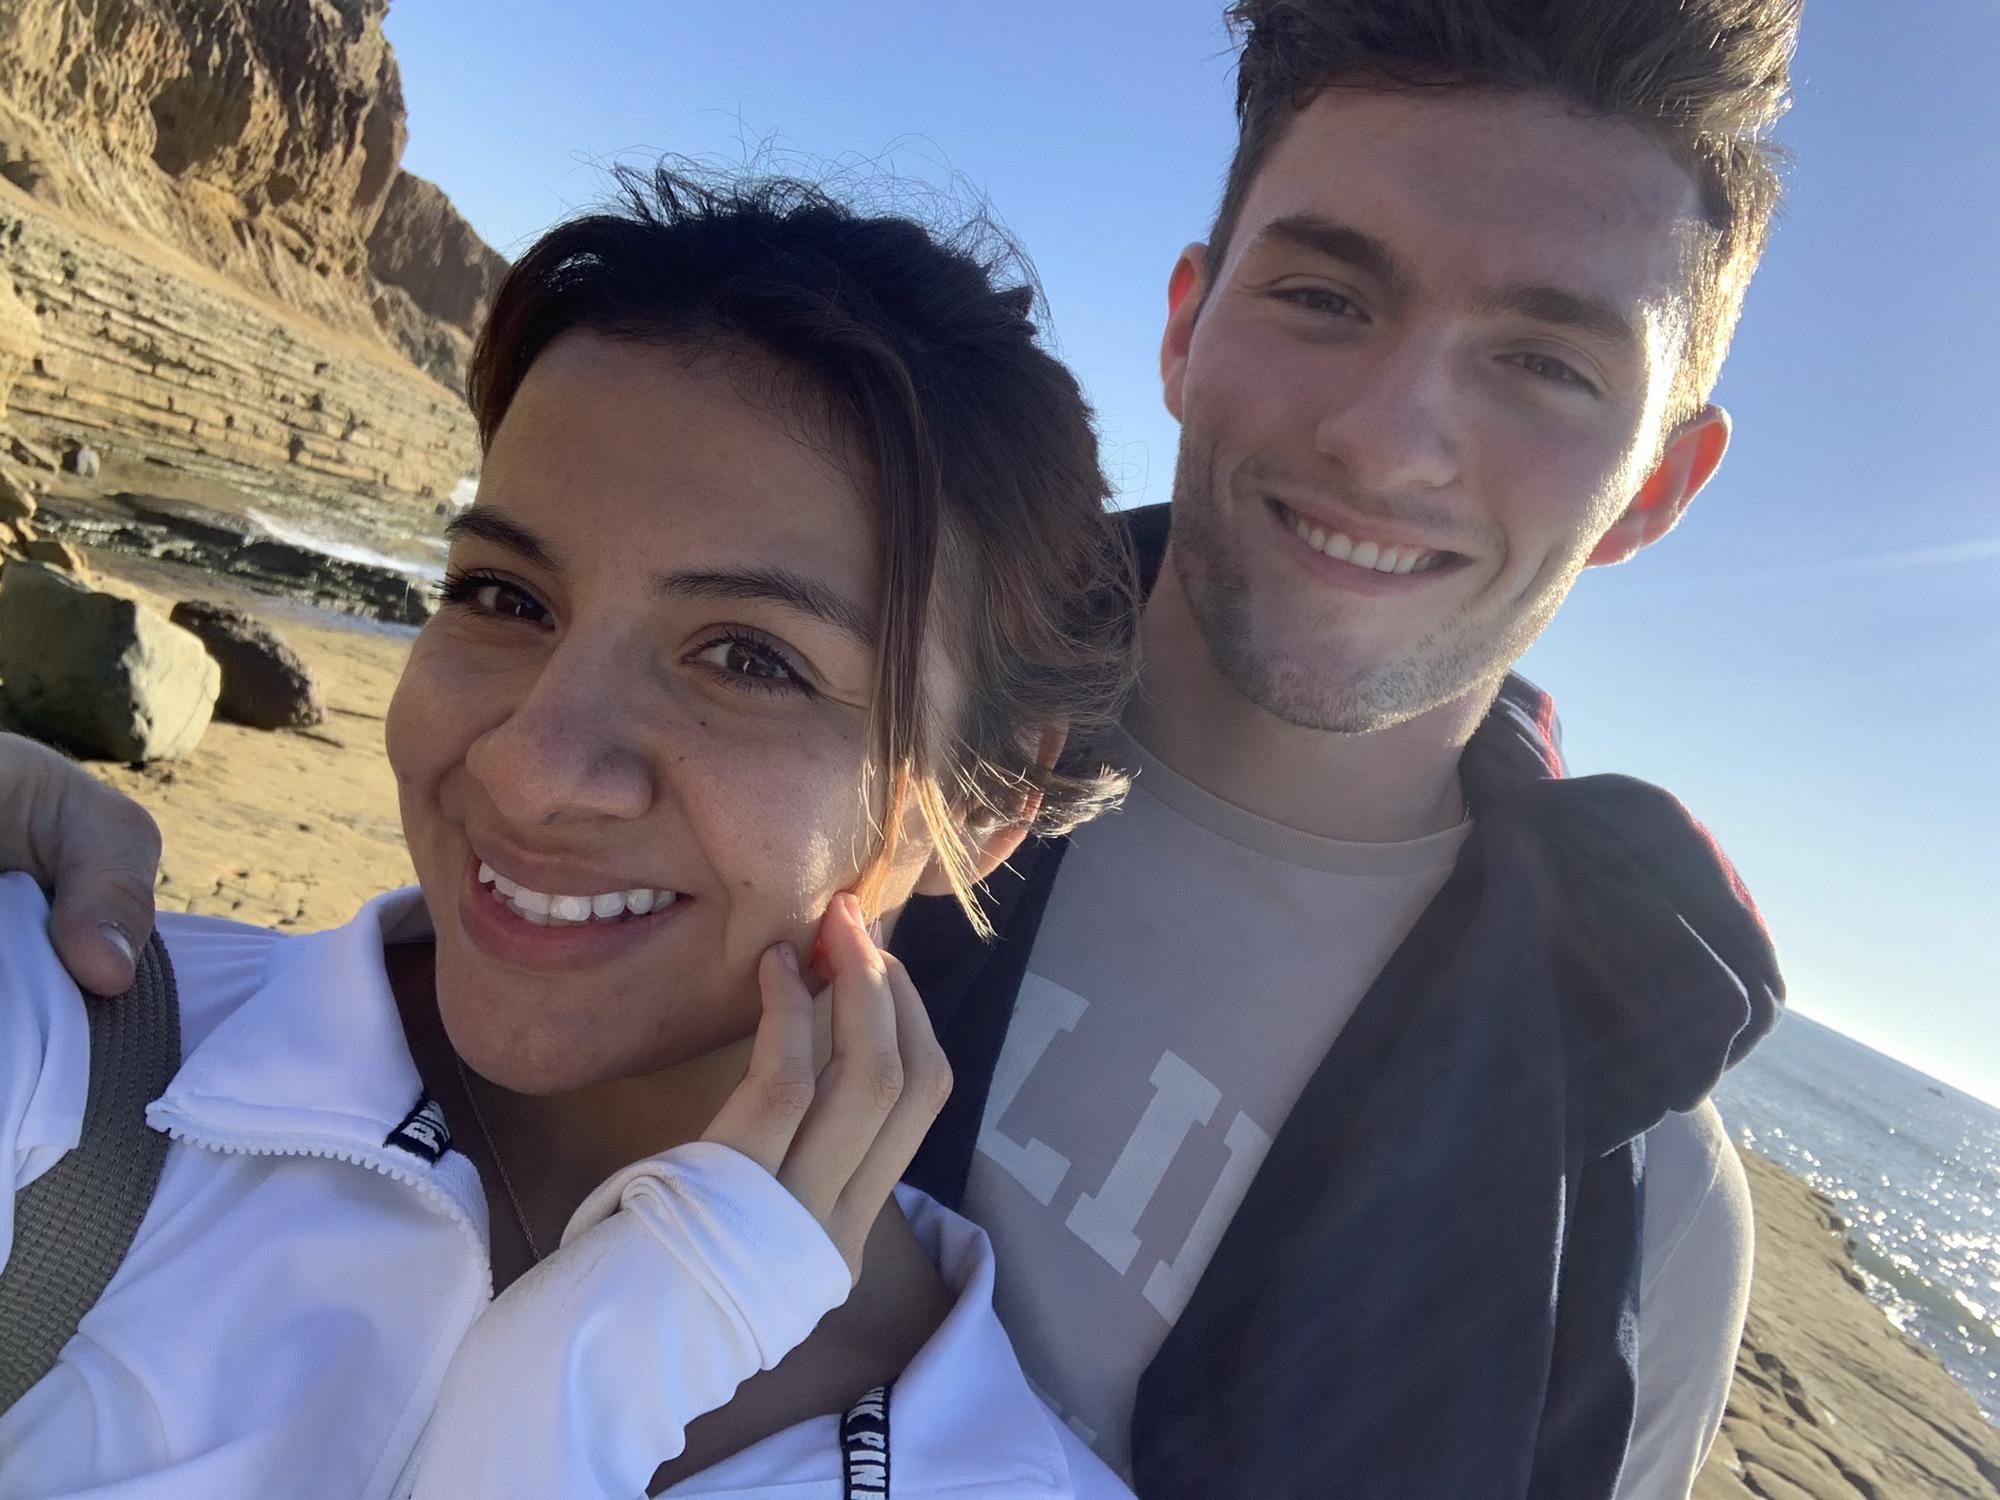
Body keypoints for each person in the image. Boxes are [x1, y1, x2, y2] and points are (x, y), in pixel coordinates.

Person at [14, 1, 1803, 1495]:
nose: (1391, 434)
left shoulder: (1629, 1213)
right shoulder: (813, 696)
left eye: (1548, 365)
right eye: (1327, 297)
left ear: (1659, 483)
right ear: (1187, 324)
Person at [0, 170, 1139, 1498]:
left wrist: (588, 1380)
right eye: (505, 596)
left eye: (750, 658)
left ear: (984, 804)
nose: (533, 769)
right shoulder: (64, 1045)